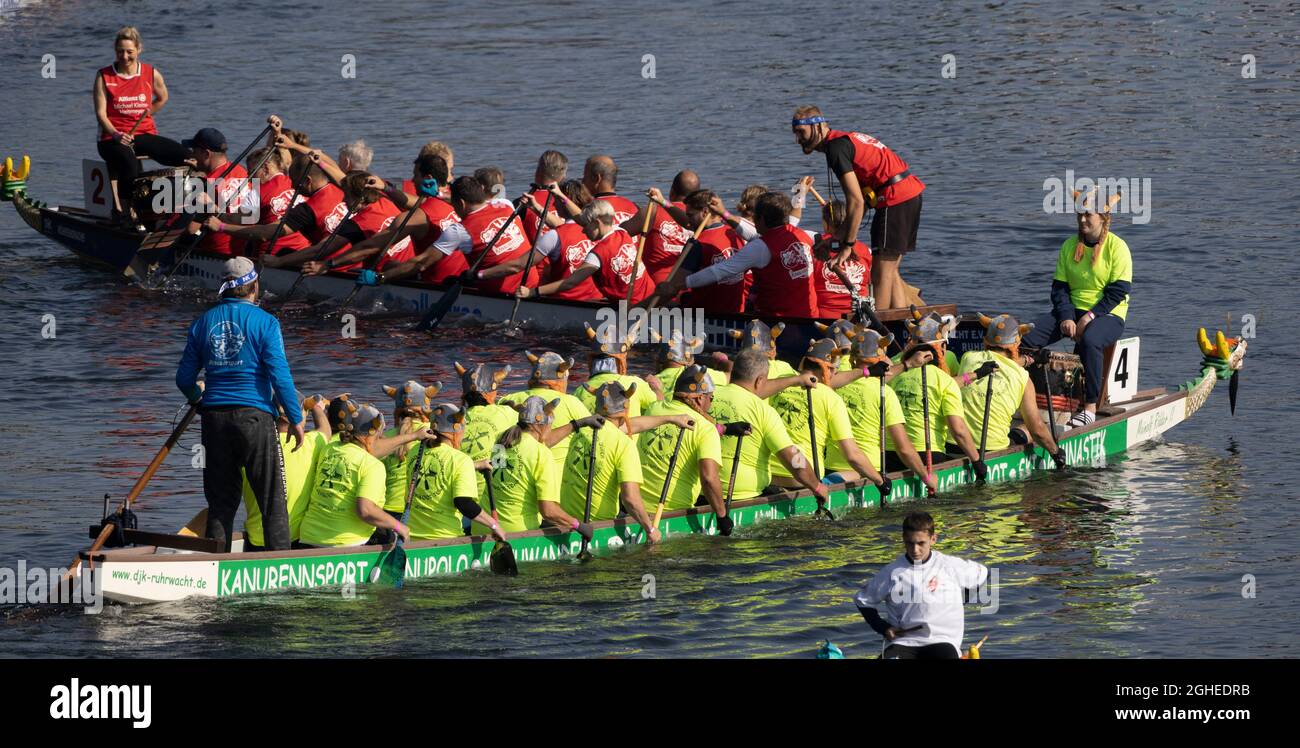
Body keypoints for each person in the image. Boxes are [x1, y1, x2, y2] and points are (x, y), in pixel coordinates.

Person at [176, 258, 303, 551]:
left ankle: (215, 563)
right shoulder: (267, 323)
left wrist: (199, 399)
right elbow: (280, 376)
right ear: (254, 287)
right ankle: (280, 569)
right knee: (271, 499)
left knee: (221, 502)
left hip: (214, 419)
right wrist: (295, 419)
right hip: (254, 418)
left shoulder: (201, 323)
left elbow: (184, 379)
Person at [791, 105, 925, 310]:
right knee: (890, 268)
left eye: (801, 132)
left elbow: (856, 202)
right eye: (795, 133)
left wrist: (847, 247)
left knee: (880, 273)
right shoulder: (843, 140)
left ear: (817, 126)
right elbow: (859, 200)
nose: (797, 139)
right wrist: (837, 238)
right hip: (909, 194)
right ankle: (900, 324)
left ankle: (877, 333)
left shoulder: (836, 148)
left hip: (894, 198)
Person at [1020, 188, 1133, 429]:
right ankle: (1026, 398)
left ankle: (1090, 407)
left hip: (1108, 314)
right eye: (1079, 214)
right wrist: (1067, 317)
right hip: (1072, 311)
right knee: (1025, 336)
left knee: (1090, 339)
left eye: (1088, 215)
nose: (1082, 220)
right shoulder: (1069, 246)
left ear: (1103, 218)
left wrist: (1089, 317)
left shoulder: (1118, 247)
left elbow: (1118, 291)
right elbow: (1059, 289)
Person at [656, 192, 819, 318]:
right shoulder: (805, 235)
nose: (753, 222)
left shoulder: (760, 247)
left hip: (777, 322)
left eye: (755, 218)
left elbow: (718, 271)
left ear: (761, 219)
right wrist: (723, 213)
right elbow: (751, 233)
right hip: (810, 316)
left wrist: (678, 285)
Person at [854, 511, 989, 659]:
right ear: (903, 539)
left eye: (921, 543)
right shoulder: (891, 572)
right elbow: (863, 601)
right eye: (910, 543)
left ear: (933, 539)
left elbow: (983, 574)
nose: (915, 550)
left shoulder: (949, 565)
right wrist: (884, 628)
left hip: (942, 641)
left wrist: (960, 600)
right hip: (903, 642)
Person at [92, 26, 190, 228]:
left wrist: (150, 110)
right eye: (120, 51)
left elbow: (163, 97)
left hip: (143, 133)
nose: (125, 56)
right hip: (111, 139)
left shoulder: (150, 73)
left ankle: (189, 211)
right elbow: (101, 114)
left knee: (186, 156)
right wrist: (116, 134)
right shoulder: (104, 76)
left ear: (139, 49)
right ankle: (128, 213)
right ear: (115, 50)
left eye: (129, 51)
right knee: (128, 160)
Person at [705, 349, 830, 504]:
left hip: (702, 491)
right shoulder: (763, 411)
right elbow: (793, 458)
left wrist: (796, 380)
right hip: (741, 496)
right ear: (759, 381)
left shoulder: (705, 397)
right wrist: (817, 487)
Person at [766, 339, 890, 493]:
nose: (835, 374)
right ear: (827, 369)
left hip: (767, 477)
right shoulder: (831, 398)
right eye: (834, 370)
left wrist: (867, 372)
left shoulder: (780, 381)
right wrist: (879, 480)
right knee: (857, 473)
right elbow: (852, 455)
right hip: (803, 481)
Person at [297, 400, 422, 548]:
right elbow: (365, 511)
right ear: (372, 433)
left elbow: (371, 449)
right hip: (345, 544)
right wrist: (400, 527)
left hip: (308, 537)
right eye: (379, 433)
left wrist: (414, 436)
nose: (381, 438)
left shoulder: (329, 449)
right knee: (391, 534)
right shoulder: (372, 465)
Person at [334, 154, 470, 285]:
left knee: (382, 264)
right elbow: (409, 201)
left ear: (428, 178)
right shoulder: (462, 202)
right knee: (391, 265)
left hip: (437, 284)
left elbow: (371, 247)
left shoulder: (419, 216)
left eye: (415, 175)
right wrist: (386, 188)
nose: (413, 180)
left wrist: (329, 264)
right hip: (463, 277)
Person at [833, 329, 938, 495]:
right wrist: (926, 476)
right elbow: (903, 448)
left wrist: (907, 365)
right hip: (869, 474)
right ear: (881, 357)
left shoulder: (834, 385)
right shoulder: (885, 393)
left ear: (852, 359)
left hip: (830, 467)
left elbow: (870, 378)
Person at [953, 314, 1066, 467]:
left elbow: (998, 363)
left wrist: (1027, 360)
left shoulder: (968, 358)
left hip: (955, 444)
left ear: (986, 340)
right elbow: (1037, 429)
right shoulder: (1022, 377)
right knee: (1028, 428)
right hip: (990, 448)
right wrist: (1055, 451)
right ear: (1017, 343)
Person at [559, 382, 661, 544]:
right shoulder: (623, 443)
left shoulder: (579, 431)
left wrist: (671, 419)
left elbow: (635, 425)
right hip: (598, 526)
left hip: (565, 520)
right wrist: (650, 529)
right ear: (626, 408)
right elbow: (630, 499)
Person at [887, 311, 984, 479]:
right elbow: (958, 430)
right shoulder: (945, 381)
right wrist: (977, 461)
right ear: (941, 348)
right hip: (927, 455)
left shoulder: (891, 369)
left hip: (889, 455)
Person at [638, 365, 733, 534]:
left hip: (635, 508)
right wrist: (722, 516)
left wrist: (726, 429)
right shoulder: (705, 428)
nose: (711, 404)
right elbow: (709, 479)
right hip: (672, 513)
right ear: (699, 398)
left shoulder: (654, 409)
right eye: (711, 398)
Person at [515, 198, 654, 304]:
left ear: (597, 223)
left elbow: (569, 283)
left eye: (586, 225)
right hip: (654, 298)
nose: (582, 229)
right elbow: (650, 209)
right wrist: (560, 196)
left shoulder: (597, 255)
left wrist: (532, 292)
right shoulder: (622, 231)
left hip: (634, 308)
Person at [490, 396, 594, 538]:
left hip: (487, 526)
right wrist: (578, 525)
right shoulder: (541, 453)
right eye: (551, 424)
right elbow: (548, 511)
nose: (551, 429)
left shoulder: (502, 439)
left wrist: (578, 424)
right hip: (517, 532)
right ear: (541, 425)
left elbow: (500, 479)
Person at [239, 392, 331, 551]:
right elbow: (325, 430)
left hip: (255, 539)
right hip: (293, 539)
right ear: (297, 416)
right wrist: (316, 407)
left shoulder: (248, 446)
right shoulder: (310, 444)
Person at [406, 403, 509, 543]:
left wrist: (476, 465)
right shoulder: (460, 460)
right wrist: (494, 525)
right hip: (445, 539)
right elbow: (464, 503)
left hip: (411, 538)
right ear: (456, 429)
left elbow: (441, 467)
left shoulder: (416, 450)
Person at [486, 180, 599, 300]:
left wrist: (481, 274)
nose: (554, 204)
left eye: (556, 200)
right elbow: (564, 225)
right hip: (596, 298)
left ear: (563, 202)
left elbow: (518, 265)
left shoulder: (555, 235)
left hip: (565, 301)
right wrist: (535, 207)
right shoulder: (598, 230)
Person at [498, 351, 592, 473]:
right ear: (561, 379)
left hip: (512, 480)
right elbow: (596, 437)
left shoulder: (507, 400)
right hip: (557, 482)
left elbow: (497, 445)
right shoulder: (571, 403)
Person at [448, 176, 536, 295]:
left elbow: (423, 262)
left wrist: (476, 275)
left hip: (505, 293)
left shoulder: (459, 229)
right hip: (532, 283)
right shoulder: (506, 206)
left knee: (448, 281)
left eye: (453, 204)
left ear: (461, 203)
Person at [377, 380, 439, 535]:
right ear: (426, 408)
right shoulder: (431, 434)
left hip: (386, 513)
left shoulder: (387, 438)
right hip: (415, 513)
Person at [182, 128, 254, 257]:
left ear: (206, 154)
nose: (192, 155)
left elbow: (191, 229)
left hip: (216, 253)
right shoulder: (240, 171)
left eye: (195, 151)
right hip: (243, 246)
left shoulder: (207, 185)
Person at [624, 170, 699, 284]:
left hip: (656, 293)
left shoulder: (652, 212)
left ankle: (621, 302)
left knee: (621, 301)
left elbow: (617, 234)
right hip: (689, 289)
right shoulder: (702, 219)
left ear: (672, 192)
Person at [573, 321, 660, 417]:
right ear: (621, 359)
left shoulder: (580, 391)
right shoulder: (636, 384)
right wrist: (656, 388)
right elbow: (660, 407)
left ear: (591, 359)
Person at [456, 362, 517, 496]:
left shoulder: (453, 418)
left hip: (460, 493)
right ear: (492, 391)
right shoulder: (507, 413)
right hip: (491, 495)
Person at [240, 146, 309, 257]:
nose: (249, 178)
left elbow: (241, 223)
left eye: (252, 172)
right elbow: (288, 161)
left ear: (266, 168)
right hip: (302, 253)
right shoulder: (295, 182)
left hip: (269, 257)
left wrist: (221, 223)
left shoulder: (256, 193)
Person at [811, 199, 871, 318]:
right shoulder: (865, 250)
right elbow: (869, 283)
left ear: (825, 222)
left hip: (826, 320)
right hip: (861, 317)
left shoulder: (815, 247)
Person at [650, 329, 728, 393]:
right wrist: (721, 360)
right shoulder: (700, 373)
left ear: (658, 358)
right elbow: (733, 375)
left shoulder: (652, 382)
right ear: (689, 360)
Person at [521, 150, 568, 242]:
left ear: (538, 171)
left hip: (537, 254)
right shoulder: (572, 198)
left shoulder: (523, 202)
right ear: (563, 175)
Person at [581, 155, 637, 223]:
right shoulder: (632, 206)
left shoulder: (589, 209)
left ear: (597, 178)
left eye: (585, 177)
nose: (582, 182)